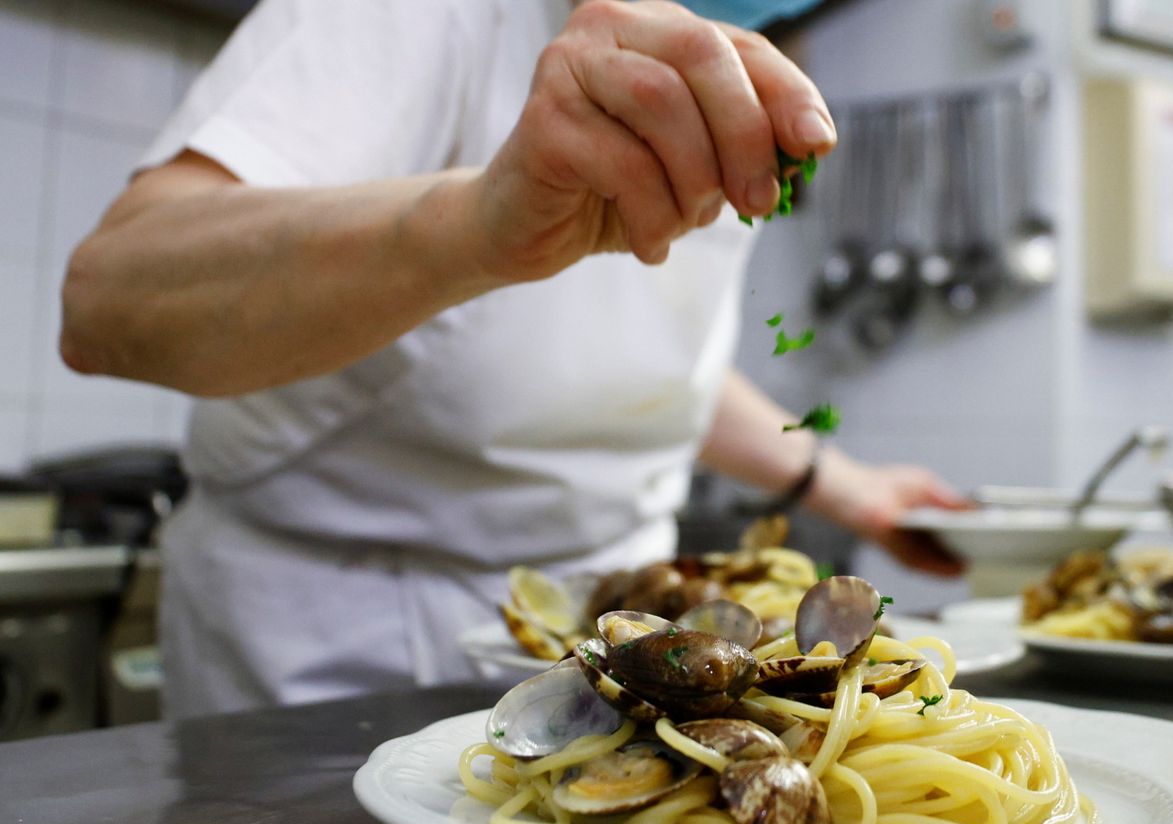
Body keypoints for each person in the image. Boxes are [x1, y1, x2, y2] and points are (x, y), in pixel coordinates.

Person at [60, 0, 965, 718]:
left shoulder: (738, 59)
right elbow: (107, 300)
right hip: (338, 652)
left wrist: (842, 483)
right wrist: (481, 222)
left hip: (630, 640)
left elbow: (624, 359)